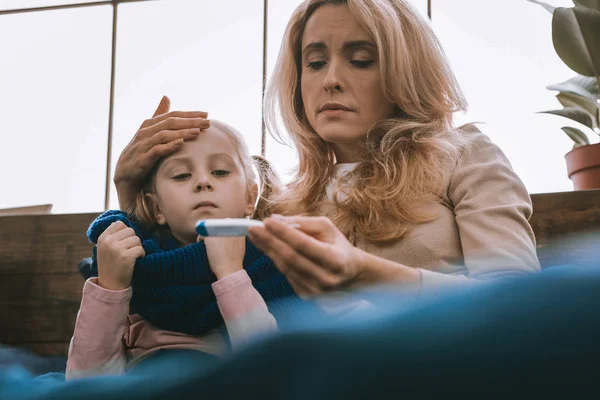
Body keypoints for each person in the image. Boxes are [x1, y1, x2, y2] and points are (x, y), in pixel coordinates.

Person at [114, 0, 540, 301]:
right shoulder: (279, 202)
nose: (330, 80)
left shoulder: (466, 156)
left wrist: (366, 272)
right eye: (315, 62)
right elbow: (180, 285)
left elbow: (520, 307)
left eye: (360, 59)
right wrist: (127, 191)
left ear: (403, 70)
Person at [66, 120, 294, 379]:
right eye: (182, 175)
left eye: (220, 171)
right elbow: (85, 384)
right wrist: (110, 287)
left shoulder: (276, 265)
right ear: (157, 209)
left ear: (250, 198)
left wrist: (231, 274)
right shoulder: (139, 272)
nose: (203, 181)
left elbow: (277, 377)